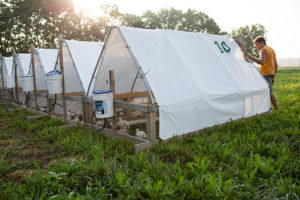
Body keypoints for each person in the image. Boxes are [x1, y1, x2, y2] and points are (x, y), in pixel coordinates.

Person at [244, 36, 279, 110]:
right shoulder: (272, 50)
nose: (257, 47)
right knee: (266, 91)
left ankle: (276, 108)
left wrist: (250, 56)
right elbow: (276, 65)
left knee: (269, 92)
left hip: (265, 74)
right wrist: (273, 77)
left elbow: (262, 62)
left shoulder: (263, 50)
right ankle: (264, 107)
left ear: (262, 42)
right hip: (271, 73)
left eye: (257, 44)